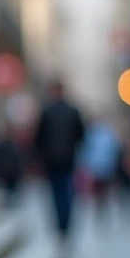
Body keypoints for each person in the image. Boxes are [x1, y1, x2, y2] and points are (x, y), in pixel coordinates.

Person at [33, 80, 85, 239]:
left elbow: (39, 137)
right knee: (67, 189)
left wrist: (39, 155)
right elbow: (81, 135)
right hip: (68, 157)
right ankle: (66, 222)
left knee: (56, 191)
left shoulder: (47, 111)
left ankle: (60, 223)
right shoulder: (73, 111)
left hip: (51, 158)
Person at [79, 114, 121, 219]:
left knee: (99, 189)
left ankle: (100, 205)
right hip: (104, 166)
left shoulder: (91, 134)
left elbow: (85, 150)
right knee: (102, 189)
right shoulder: (108, 134)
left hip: (97, 166)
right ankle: (102, 205)